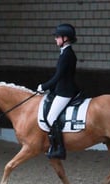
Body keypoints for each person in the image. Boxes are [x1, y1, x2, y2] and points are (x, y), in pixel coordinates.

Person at [37, 23, 79, 160]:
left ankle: (60, 149)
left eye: (57, 37)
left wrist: (44, 86)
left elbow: (59, 76)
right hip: (61, 89)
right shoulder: (65, 53)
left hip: (65, 91)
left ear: (65, 38)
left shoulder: (67, 54)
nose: (55, 39)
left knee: (51, 118)